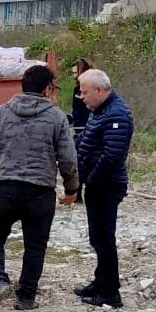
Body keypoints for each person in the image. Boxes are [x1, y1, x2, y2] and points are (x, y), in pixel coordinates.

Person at [0, 64, 80, 311]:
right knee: (35, 245)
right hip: (40, 191)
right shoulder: (56, 118)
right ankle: (26, 297)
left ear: (22, 85)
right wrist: (72, 190)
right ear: (48, 89)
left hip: (4, 188)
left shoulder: (2, 113)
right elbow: (68, 159)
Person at [74, 68, 134, 309]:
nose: (81, 96)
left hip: (106, 185)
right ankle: (101, 282)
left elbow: (112, 156)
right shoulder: (99, 110)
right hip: (97, 184)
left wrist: (93, 180)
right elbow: (87, 141)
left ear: (99, 90)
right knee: (97, 237)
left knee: (104, 239)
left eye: (84, 91)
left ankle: (110, 293)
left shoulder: (117, 114)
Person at [69, 58, 93, 204]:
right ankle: (78, 194)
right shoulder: (76, 89)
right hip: (79, 129)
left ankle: (79, 194)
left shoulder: (83, 90)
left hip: (84, 130)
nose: (73, 76)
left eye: (75, 73)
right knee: (79, 163)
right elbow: (77, 112)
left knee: (81, 163)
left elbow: (84, 111)